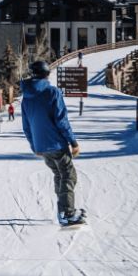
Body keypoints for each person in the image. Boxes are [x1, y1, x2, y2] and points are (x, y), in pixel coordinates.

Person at [21, 60, 84, 226]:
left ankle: (63, 211)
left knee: (59, 175)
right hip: (56, 144)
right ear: (47, 74)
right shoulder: (52, 92)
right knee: (69, 175)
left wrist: (34, 146)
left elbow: (26, 126)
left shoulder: (26, 98)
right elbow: (61, 121)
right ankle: (68, 214)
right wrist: (73, 142)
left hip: (42, 146)